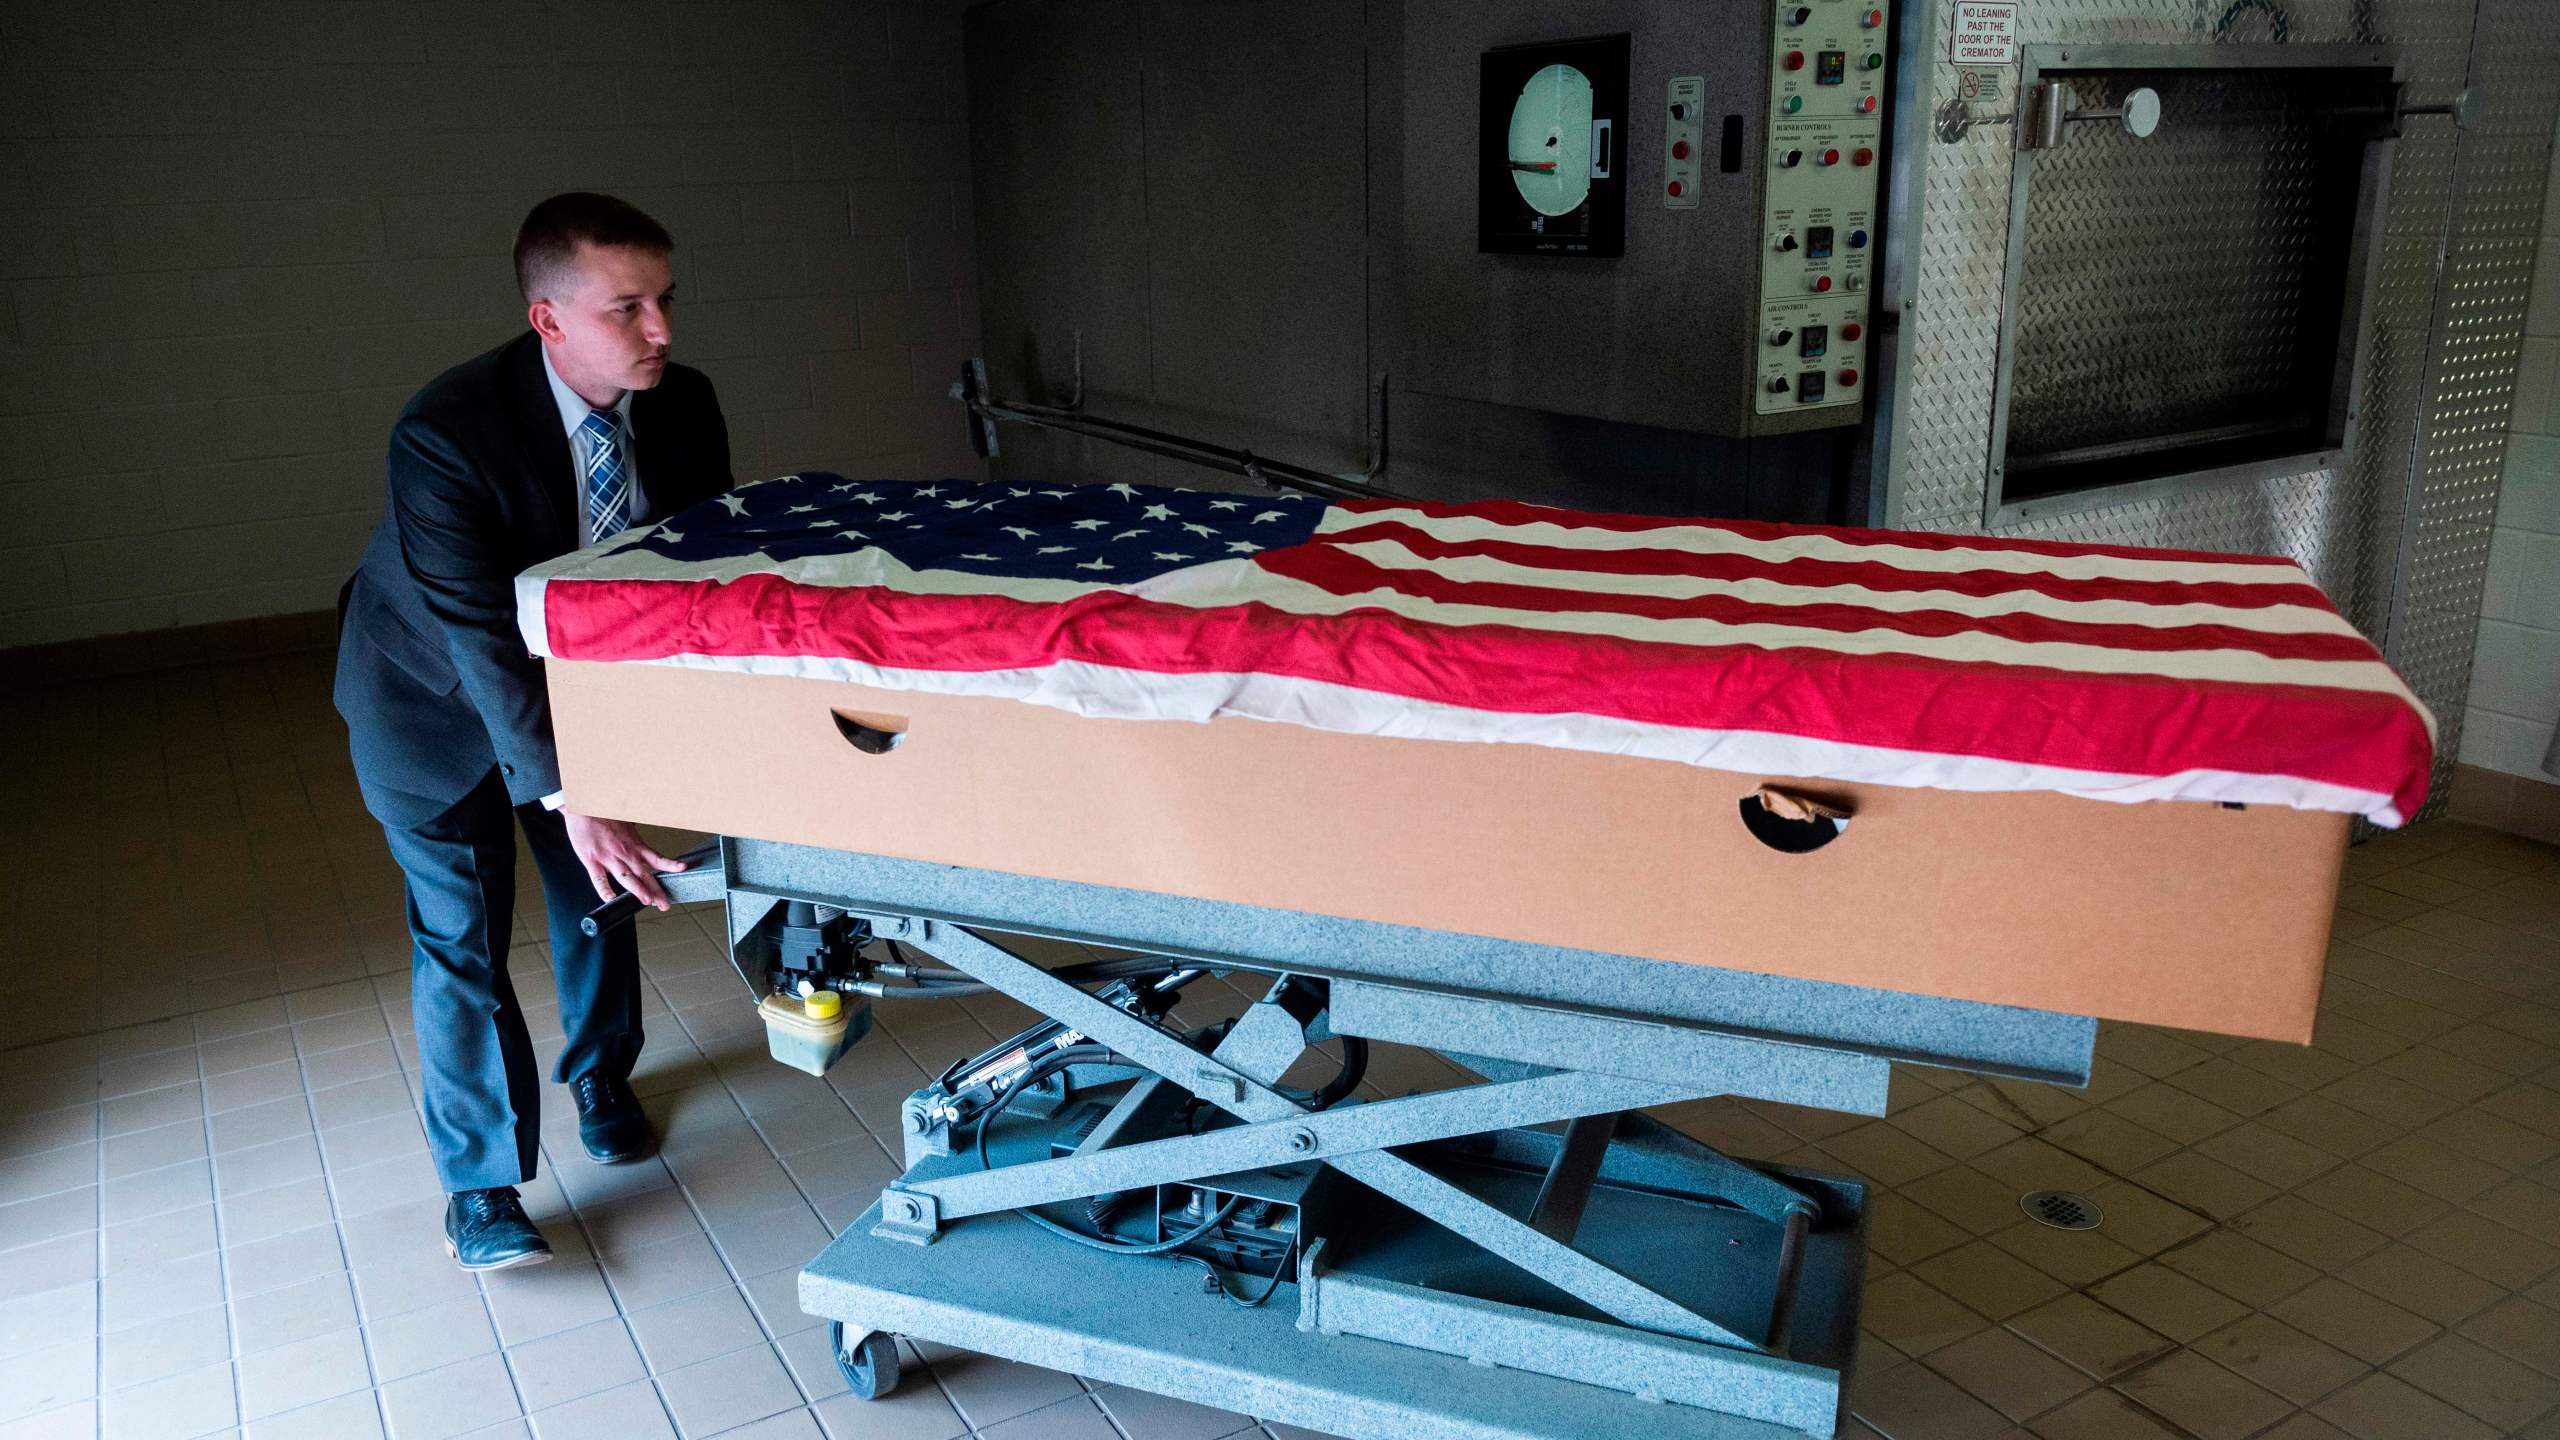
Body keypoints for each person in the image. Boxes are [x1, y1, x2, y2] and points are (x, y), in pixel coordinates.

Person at [333, 192, 734, 1270]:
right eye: (628, 309)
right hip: (428, 703)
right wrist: (577, 791)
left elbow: (702, 578)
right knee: (459, 936)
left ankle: (601, 1073)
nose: (661, 331)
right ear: (550, 318)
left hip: (578, 691)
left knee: (601, 896)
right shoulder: (446, 430)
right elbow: (477, 633)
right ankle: (480, 1187)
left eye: (665, 301)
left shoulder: (684, 404)